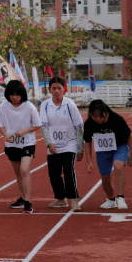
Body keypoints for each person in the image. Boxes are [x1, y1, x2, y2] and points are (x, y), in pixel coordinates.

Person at [40, 77, 88, 212]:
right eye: (53, 88)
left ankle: (74, 199)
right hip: (54, 145)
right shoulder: (45, 105)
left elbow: (79, 126)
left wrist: (80, 148)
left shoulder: (69, 104)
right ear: (49, 90)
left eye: (59, 88)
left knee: (68, 169)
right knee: (54, 173)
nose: (56, 91)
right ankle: (60, 199)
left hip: (70, 144)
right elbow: (43, 125)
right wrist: (49, 143)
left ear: (64, 89)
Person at [0, 80, 42, 214]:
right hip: (11, 144)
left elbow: (37, 124)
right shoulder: (3, 107)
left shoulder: (29, 107)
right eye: (11, 94)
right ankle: (22, 198)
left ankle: (28, 202)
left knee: (24, 170)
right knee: (18, 173)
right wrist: (5, 135)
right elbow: (1, 125)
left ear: (22, 94)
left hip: (27, 142)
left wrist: (25, 131)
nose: (14, 97)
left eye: (17, 94)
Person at [83, 99, 132, 209]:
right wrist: (89, 161)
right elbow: (87, 142)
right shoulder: (89, 123)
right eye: (94, 116)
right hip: (102, 150)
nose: (98, 119)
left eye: (101, 116)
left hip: (120, 146)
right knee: (105, 177)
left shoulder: (116, 118)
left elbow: (129, 136)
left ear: (106, 113)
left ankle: (121, 198)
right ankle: (111, 199)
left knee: (118, 165)